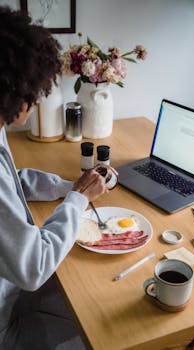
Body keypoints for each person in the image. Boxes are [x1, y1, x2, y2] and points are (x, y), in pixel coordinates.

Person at [0, 6, 109, 350]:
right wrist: (78, 200)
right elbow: (33, 268)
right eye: (34, 94)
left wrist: (71, 188)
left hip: (12, 285)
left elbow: (14, 182)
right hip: (7, 319)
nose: (35, 104)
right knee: (100, 320)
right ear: (16, 91)